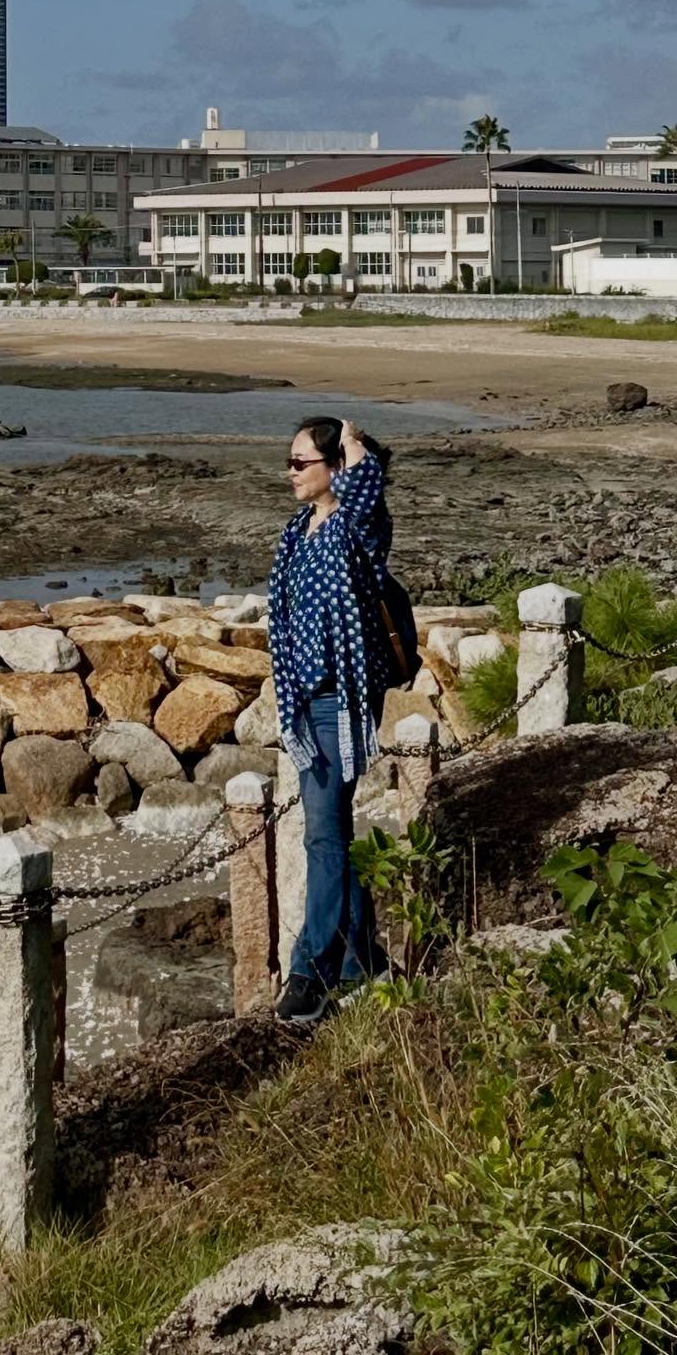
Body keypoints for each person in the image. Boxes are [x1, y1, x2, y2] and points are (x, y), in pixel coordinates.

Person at [268, 415, 399, 1024]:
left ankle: (309, 970)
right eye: (290, 462)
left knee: (321, 833)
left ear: (334, 469)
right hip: (305, 699)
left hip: (343, 700)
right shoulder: (298, 532)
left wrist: (352, 441)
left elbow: (370, 486)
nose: (290, 472)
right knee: (331, 833)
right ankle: (361, 961)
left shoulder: (357, 526)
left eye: (301, 462)